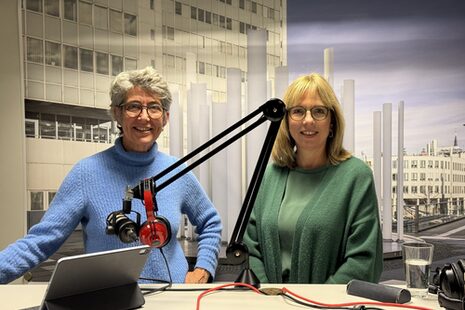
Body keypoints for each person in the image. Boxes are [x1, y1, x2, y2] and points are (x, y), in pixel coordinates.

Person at [0, 67, 222, 284]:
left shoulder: (177, 171)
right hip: (110, 298)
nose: (144, 117)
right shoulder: (85, 173)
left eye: (154, 108)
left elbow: (210, 222)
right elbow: (40, 240)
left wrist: (202, 271)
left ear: (165, 118)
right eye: (134, 107)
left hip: (173, 299)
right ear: (117, 113)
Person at [243, 73, 383, 284]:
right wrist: (268, 295)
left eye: (319, 111)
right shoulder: (270, 175)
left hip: (330, 307)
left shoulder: (357, 177)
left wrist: (313, 302)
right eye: (298, 111)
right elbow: (249, 249)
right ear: (287, 121)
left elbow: (364, 261)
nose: (308, 120)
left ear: (332, 122)